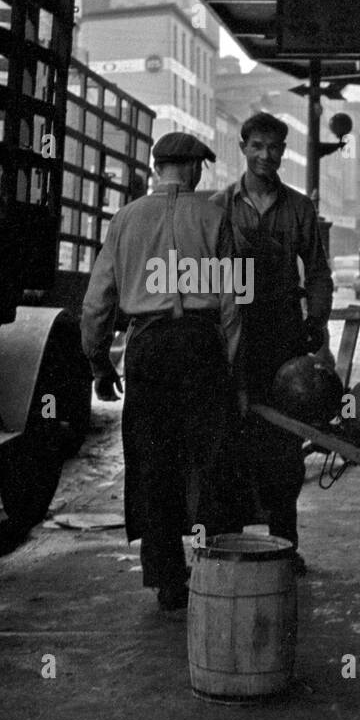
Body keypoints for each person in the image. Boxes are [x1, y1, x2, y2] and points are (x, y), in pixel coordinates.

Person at [81, 132, 241, 612]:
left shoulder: (125, 219)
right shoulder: (216, 215)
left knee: (154, 463)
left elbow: (96, 304)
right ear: (193, 168)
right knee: (209, 458)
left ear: (157, 169)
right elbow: (234, 305)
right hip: (200, 343)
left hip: (147, 347)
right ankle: (216, 568)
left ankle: (168, 580)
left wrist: (99, 363)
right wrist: (230, 369)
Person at [211, 111, 334, 572]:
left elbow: (319, 272)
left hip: (284, 334)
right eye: (257, 146)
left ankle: (284, 544)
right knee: (232, 437)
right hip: (235, 332)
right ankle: (233, 542)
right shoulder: (220, 205)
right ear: (243, 147)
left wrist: (316, 318)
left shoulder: (300, 209)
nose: (266, 155)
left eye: (275, 148)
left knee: (284, 444)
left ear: (285, 152)